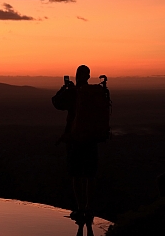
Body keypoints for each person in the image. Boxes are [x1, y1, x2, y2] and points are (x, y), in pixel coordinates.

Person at [52, 65, 108, 235]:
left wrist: (65, 88)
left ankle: (80, 207)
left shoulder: (73, 93)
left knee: (76, 175)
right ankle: (89, 208)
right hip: (91, 140)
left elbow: (56, 102)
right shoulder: (94, 93)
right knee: (90, 175)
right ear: (89, 76)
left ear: (77, 76)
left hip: (75, 140)